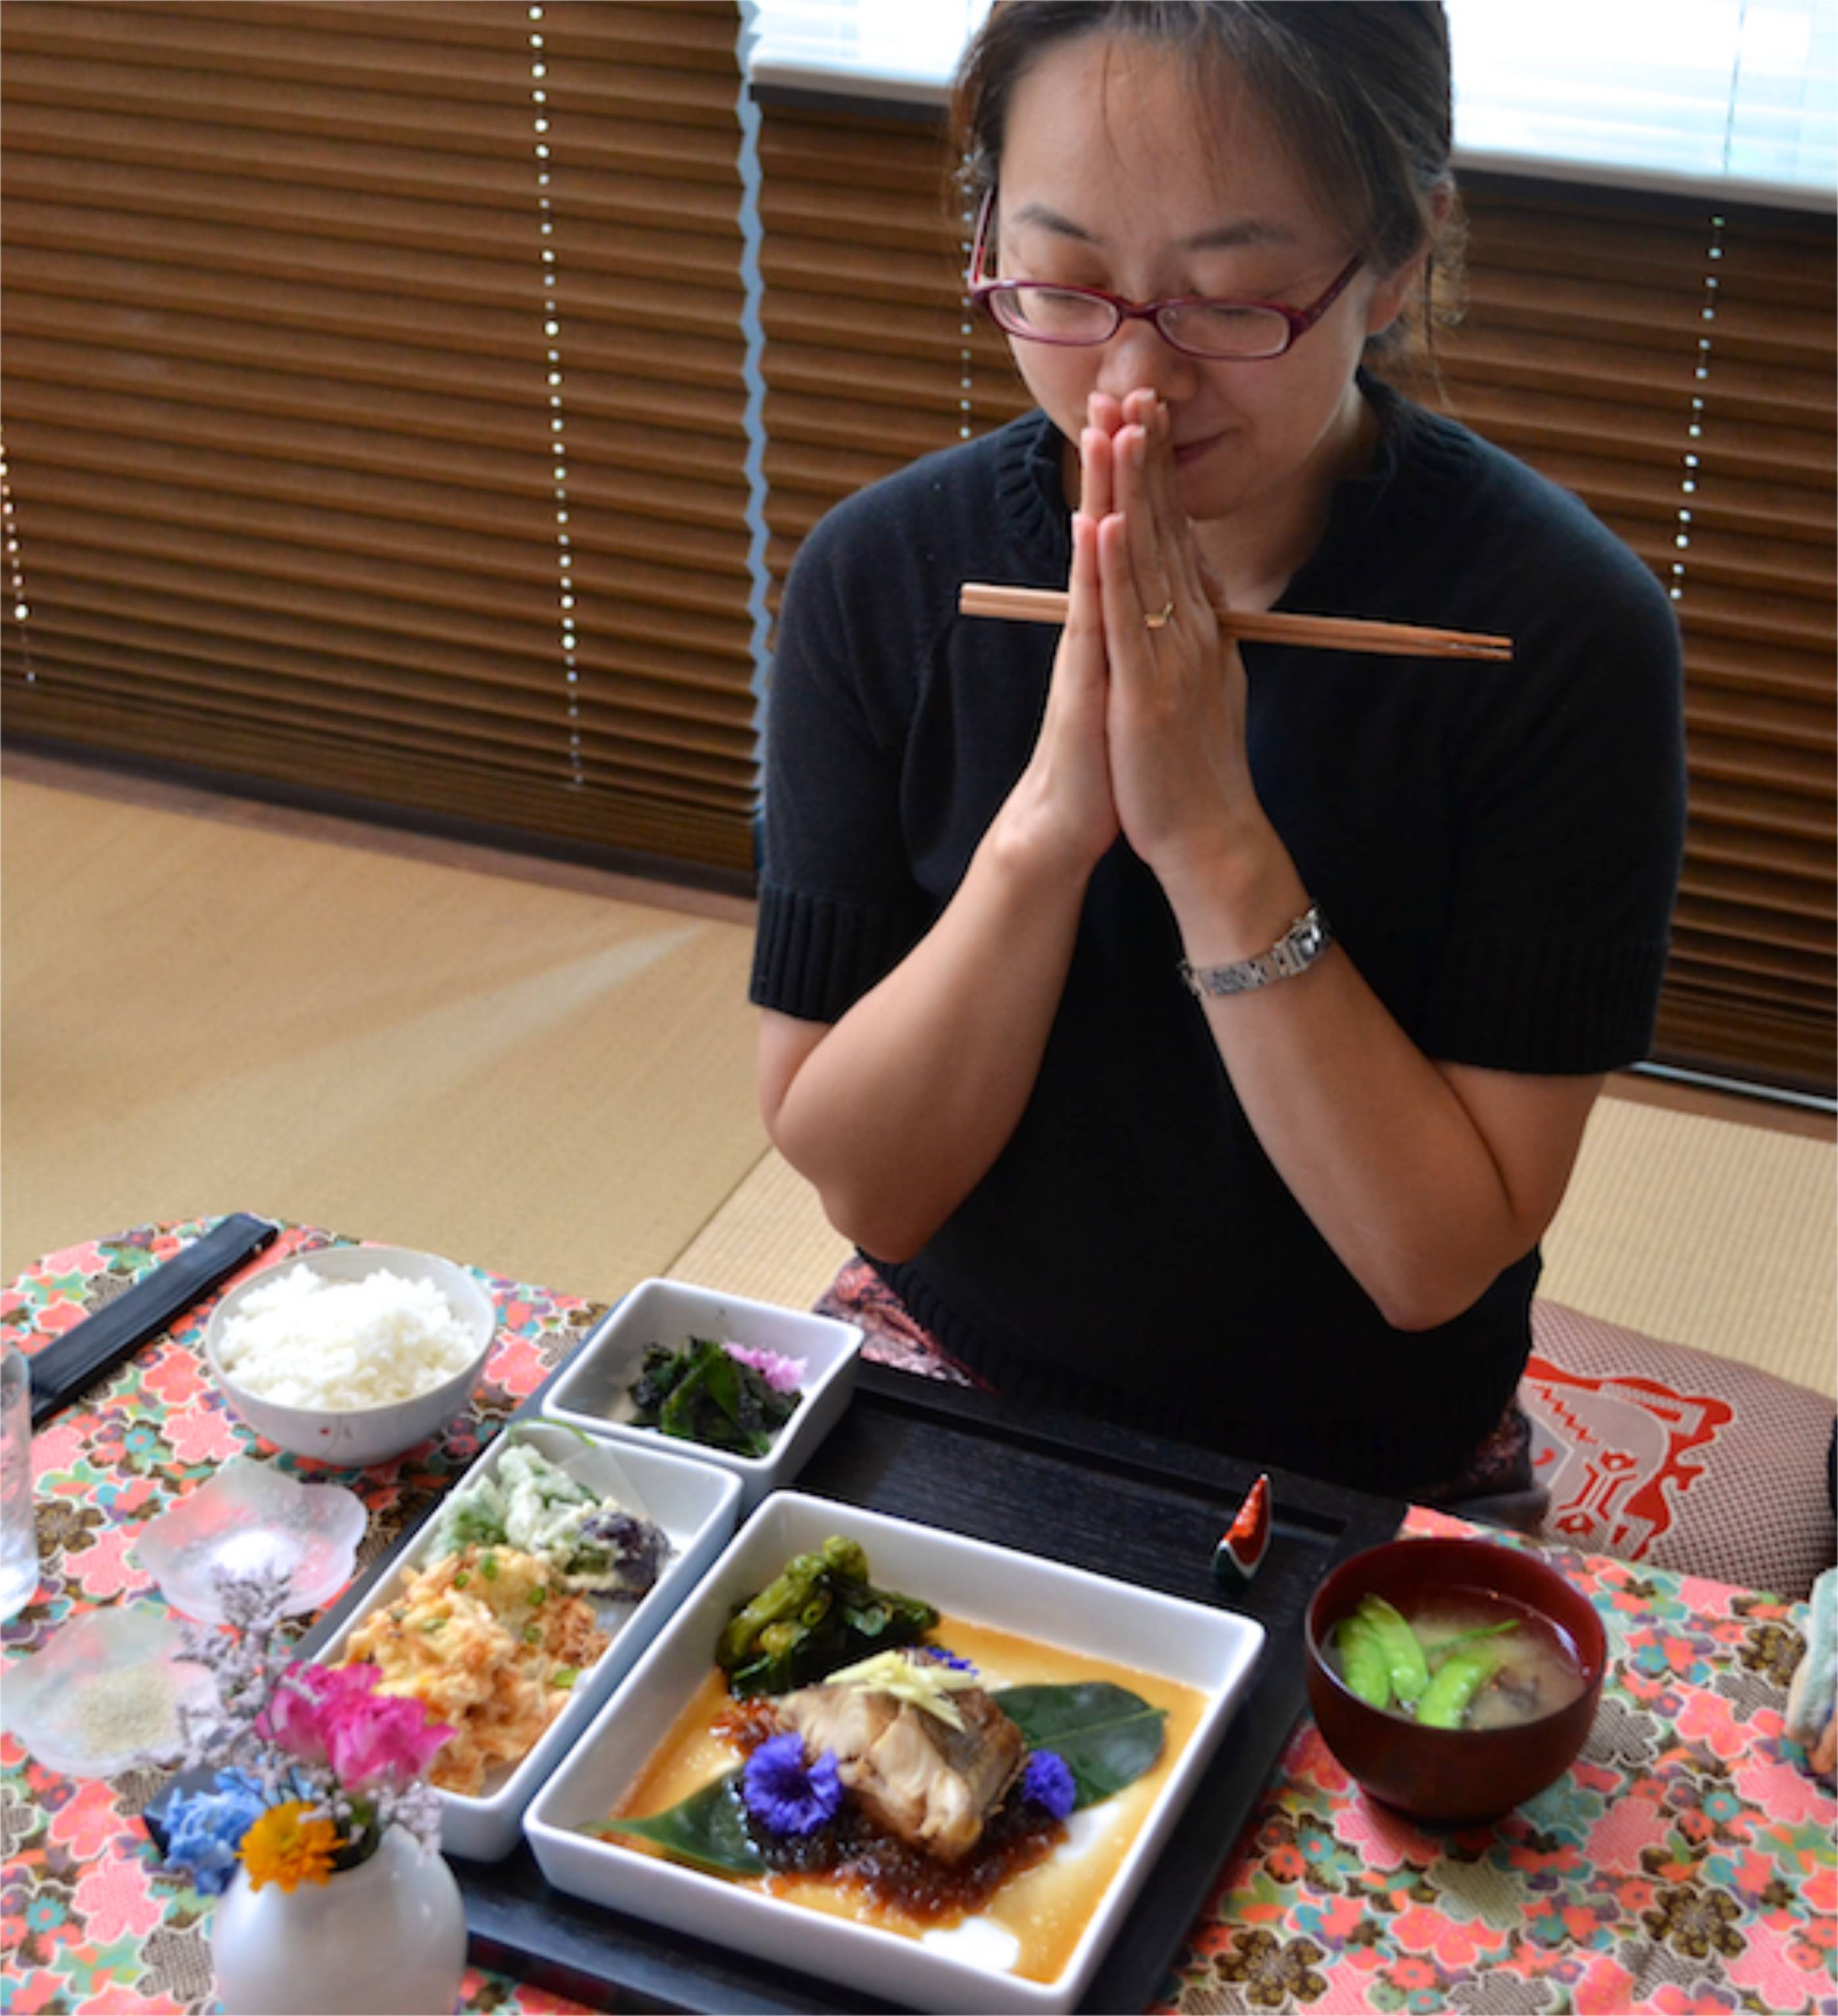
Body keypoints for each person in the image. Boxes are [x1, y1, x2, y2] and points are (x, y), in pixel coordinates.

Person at [748, 0, 1686, 1505]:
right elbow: (871, 1187)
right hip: (954, 1365)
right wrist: (1049, 825)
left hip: (1364, 1449)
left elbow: (1428, 1264)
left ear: (1400, 258)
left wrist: (1211, 842)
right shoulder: (887, 580)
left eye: (1232, 301)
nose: (1132, 380)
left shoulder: (1555, 635)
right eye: (1061, 282)